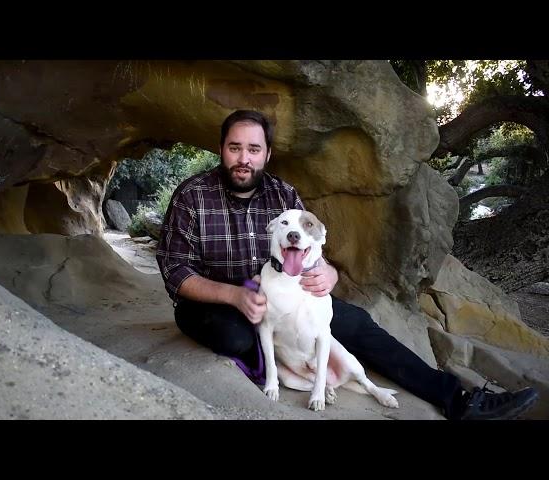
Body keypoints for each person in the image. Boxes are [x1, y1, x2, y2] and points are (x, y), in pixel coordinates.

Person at [155, 109, 539, 420]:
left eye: (253, 149)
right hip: (212, 301)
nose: (244, 159)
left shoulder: (284, 194)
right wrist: (234, 295)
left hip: (281, 294)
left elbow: (312, 247)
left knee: (356, 322)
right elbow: (175, 269)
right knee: (235, 337)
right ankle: (283, 366)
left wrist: (329, 273)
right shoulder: (193, 195)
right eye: (235, 148)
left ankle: (458, 399)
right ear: (221, 149)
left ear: (267, 154)